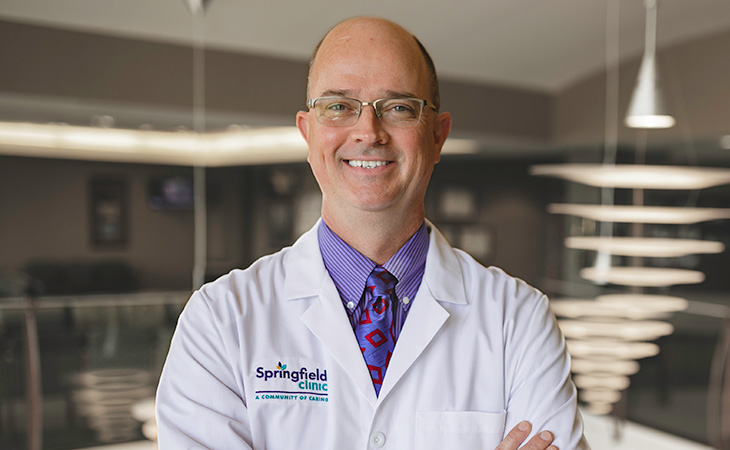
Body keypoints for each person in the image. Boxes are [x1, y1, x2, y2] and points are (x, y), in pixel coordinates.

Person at [156, 17, 589, 450]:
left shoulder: (518, 319)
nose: (368, 132)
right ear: (308, 133)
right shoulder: (219, 320)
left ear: (437, 137)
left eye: (399, 107)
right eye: (339, 106)